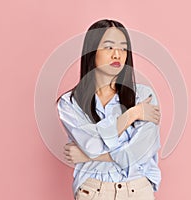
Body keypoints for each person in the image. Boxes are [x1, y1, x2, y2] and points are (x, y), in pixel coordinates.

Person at [57, 19, 162, 200]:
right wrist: (132, 114)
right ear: (92, 51)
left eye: (123, 48)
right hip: (94, 191)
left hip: (137, 190)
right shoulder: (70, 103)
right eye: (108, 47)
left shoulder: (144, 96)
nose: (117, 55)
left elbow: (139, 153)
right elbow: (93, 145)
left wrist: (89, 157)